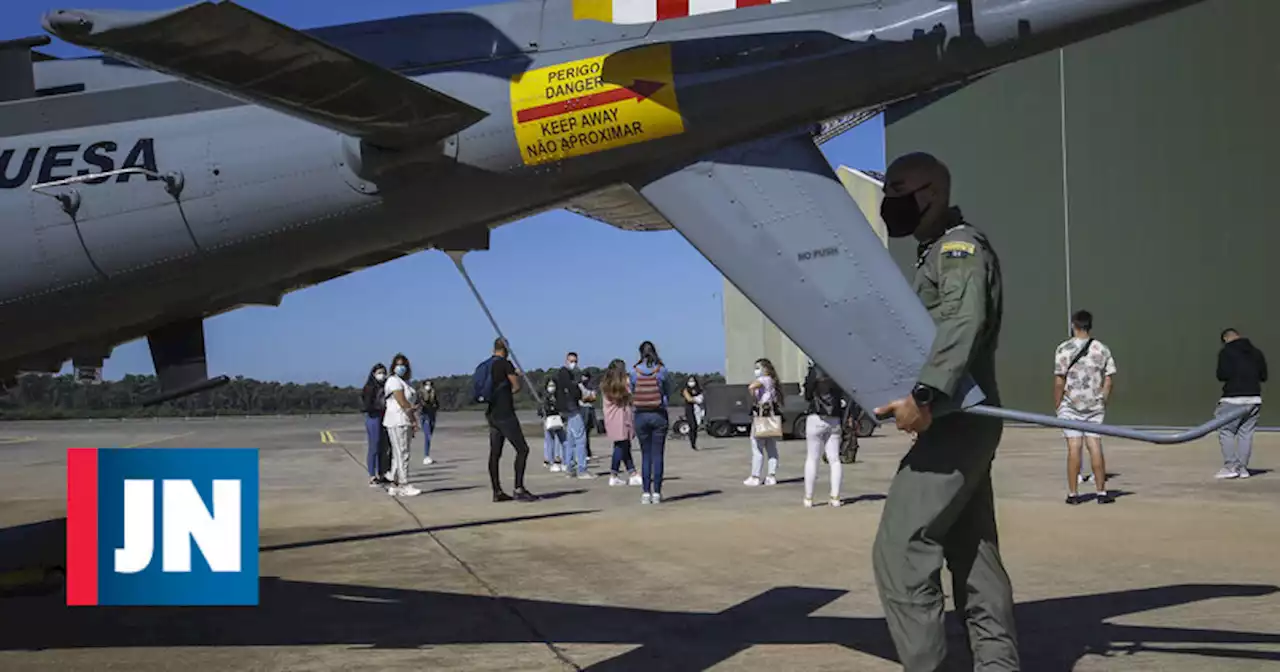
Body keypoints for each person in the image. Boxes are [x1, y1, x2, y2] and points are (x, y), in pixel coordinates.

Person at [871, 152, 1020, 671]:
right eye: (887, 193)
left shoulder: (958, 248)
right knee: (973, 552)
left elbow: (964, 319)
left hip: (957, 420)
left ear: (932, 192)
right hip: (966, 421)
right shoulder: (933, 251)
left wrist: (926, 394)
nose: (892, 203)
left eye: (900, 192)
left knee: (901, 549)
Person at [1053, 309, 1116, 505]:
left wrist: (1057, 404)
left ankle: (1073, 494)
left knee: (1074, 448)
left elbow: (1058, 381)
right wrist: (1102, 398)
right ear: (1090, 325)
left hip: (1070, 405)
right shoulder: (1101, 349)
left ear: (1074, 325)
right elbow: (1109, 378)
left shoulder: (1063, 349)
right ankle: (1101, 492)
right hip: (1094, 405)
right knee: (1095, 446)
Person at [483, 338, 538, 502]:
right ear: (505, 349)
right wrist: (515, 378)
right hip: (505, 413)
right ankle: (519, 488)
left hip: (491, 413)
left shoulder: (487, 365)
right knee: (522, 449)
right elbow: (516, 387)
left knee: (495, 453)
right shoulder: (505, 364)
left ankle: (497, 490)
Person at [1215, 328, 1267, 479]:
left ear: (1226, 339)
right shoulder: (1257, 353)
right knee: (1246, 434)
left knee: (1226, 431)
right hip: (1254, 399)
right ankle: (1243, 468)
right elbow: (1263, 376)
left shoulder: (1226, 352)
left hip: (1232, 398)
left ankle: (1230, 466)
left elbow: (1221, 375)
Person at [630, 341, 669, 504]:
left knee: (645, 455)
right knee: (658, 455)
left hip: (640, 415)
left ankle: (646, 492)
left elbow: (632, 390)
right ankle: (657, 493)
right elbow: (667, 390)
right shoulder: (662, 370)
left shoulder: (634, 371)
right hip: (658, 414)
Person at [802, 362, 844, 508]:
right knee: (835, 460)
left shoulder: (815, 370)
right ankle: (835, 497)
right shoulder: (838, 368)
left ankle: (809, 498)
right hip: (835, 418)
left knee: (812, 458)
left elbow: (807, 394)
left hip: (816, 416)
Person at [382, 353, 421, 497]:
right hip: (397, 420)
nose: (401, 367)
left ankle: (395, 484)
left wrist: (413, 419)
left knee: (400, 453)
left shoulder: (406, 382)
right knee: (401, 453)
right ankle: (404, 483)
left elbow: (408, 403)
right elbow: (402, 401)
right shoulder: (393, 381)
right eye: (398, 365)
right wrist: (411, 411)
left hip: (405, 420)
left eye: (403, 365)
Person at [602, 359, 642, 487]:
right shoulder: (620, 386)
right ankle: (614, 475)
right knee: (620, 446)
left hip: (613, 418)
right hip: (620, 418)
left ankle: (632, 473)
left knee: (624, 446)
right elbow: (629, 397)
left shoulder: (606, 384)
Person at [554, 352, 595, 479]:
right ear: (566, 361)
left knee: (570, 439)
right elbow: (573, 390)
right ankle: (582, 469)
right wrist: (580, 395)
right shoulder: (566, 374)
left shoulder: (563, 375)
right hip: (572, 407)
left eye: (575, 361)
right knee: (580, 438)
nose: (574, 363)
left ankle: (570, 467)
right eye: (572, 361)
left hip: (566, 408)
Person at [744, 358, 782, 487]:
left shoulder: (763, 380)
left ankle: (755, 476)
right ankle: (771, 475)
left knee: (757, 447)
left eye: (758, 367)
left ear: (764, 368)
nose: (756, 371)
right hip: (771, 417)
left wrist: (754, 397)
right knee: (771, 448)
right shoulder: (773, 381)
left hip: (761, 416)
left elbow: (751, 386)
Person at [361, 363, 391, 487]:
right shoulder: (369, 387)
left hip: (385, 416)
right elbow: (367, 404)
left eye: (383, 372)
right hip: (374, 416)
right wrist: (379, 407)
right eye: (379, 372)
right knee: (374, 445)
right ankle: (372, 475)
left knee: (384, 447)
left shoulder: (386, 385)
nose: (382, 375)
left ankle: (382, 473)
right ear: (374, 374)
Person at [539, 378, 567, 472]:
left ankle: (560, 459)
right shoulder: (545, 397)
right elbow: (542, 408)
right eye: (550, 385)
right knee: (549, 440)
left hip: (558, 419)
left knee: (561, 440)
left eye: (553, 385)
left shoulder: (559, 396)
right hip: (548, 419)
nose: (551, 387)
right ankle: (550, 460)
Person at [680, 375, 705, 450]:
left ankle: (694, 442)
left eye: (693, 381)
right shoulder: (685, 389)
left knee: (696, 427)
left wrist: (697, 399)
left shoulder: (699, 389)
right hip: (689, 409)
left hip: (697, 409)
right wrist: (696, 399)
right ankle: (692, 443)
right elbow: (689, 399)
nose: (691, 382)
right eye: (690, 381)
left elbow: (702, 398)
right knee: (692, 425)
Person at [419, 378, 440, 466]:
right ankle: (426, 455)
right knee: (427, 435)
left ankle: (427, 455)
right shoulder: (420, 393)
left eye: (430, 385)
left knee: (430, 434)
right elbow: (421, 404)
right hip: (424, 415)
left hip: (432, 415)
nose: (429, 386)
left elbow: (437, 404)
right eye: (427, 384)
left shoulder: (433, 393)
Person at [579, 370, 598, 460]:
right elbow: (582, 399)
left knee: (589, 430)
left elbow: (594, 398)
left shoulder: (591, 387)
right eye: (583, 376)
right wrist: (588, 398)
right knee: (583, 431)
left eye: (586, 377)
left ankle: (588, 452)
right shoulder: (579, 386)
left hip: (590, 408)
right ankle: (584, 452)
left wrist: (588, 398)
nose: (584, 378)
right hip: (583, 409)